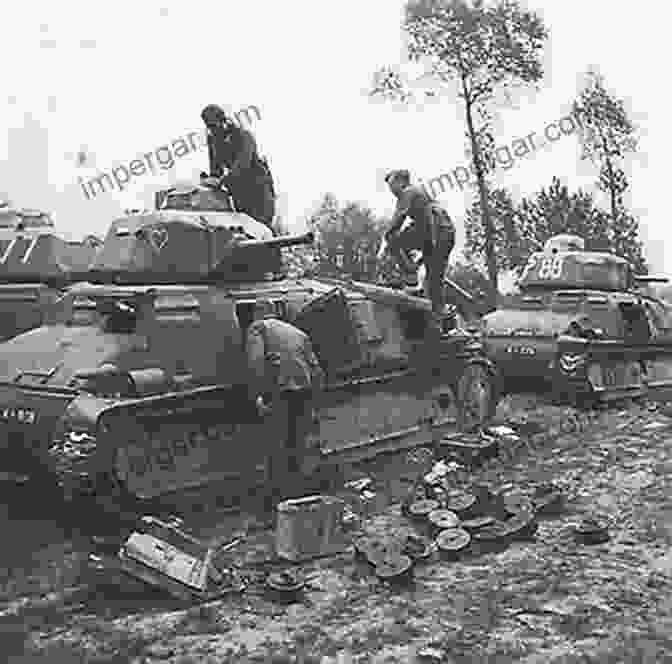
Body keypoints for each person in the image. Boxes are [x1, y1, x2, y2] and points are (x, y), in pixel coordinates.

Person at [244, 300, 324, 508]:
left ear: (257, 313)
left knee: (277, 446)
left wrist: (259, 395)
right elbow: (316, 369)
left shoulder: (258, 328)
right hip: (304, 392)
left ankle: (276, 501)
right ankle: (301, 495)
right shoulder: (298, 332)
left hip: (280, 392)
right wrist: (315, 399)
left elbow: (256, 362)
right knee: (299, 443)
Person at [383, 169, 456, 316]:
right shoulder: (420, 193)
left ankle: (410, 276)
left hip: (437, 231)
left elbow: (399, 218)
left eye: (392, 185)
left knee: (392, 239)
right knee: (434, 281)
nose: (391, 190)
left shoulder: (408, 192)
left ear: (401, 182)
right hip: (445, 233)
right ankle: (439, 314)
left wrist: (387, 240)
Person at [200, 104, 276, 228]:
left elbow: (242, 165)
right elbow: (215, 170)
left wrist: (221, 181)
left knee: (262, 230)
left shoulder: (244, 136)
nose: (212, 131)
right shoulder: (213, 140)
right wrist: (208, 180)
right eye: (209, 127)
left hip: (259, 191)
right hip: (239, 195)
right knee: (245, 232)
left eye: (214, 126)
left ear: (223, 121)